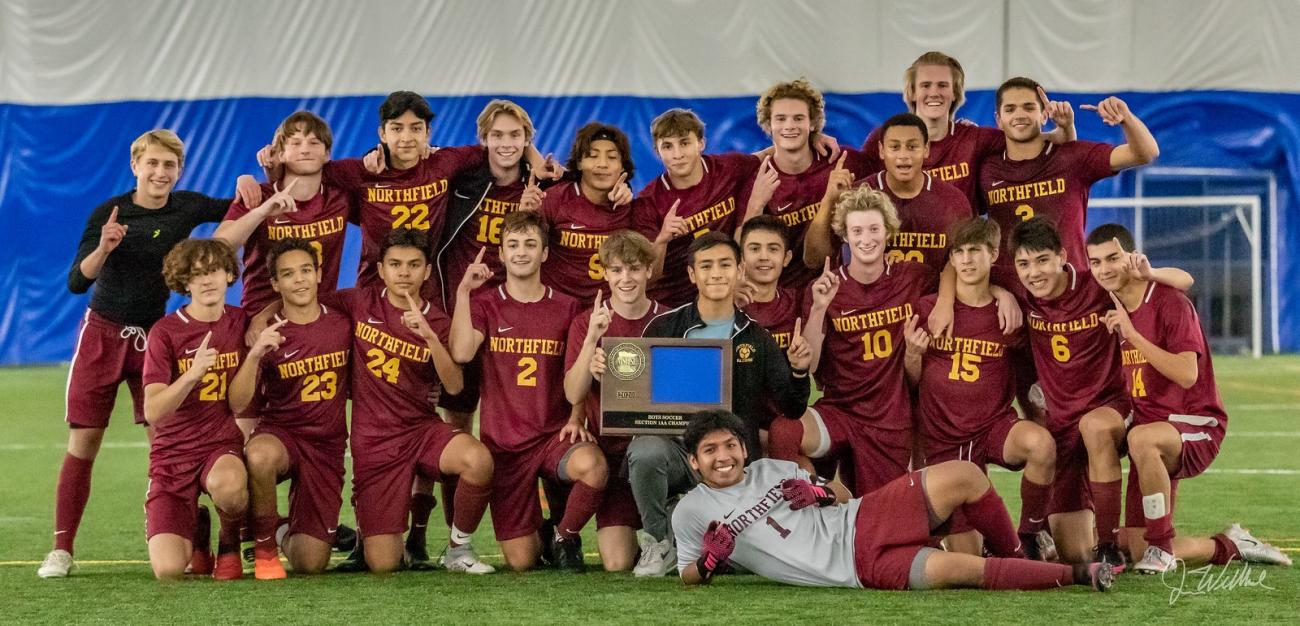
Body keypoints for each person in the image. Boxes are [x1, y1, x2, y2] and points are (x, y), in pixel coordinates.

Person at [41, 129, 257, 578]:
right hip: (102, 335)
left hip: (155, 338)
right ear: (135, 165)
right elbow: (76, 282)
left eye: (169, 165)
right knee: (85, 442)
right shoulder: (111, 212)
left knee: (164, 441)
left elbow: (235, 209)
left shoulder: (187, 205)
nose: (160, 173)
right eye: (152, 164)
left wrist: (248, 176)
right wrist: (104, 248)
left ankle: (187, 525)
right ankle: (61, 549)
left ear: (179, 171)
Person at [671, 411, 1114, 591]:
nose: (723, 457)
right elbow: (688, 574)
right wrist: (709, 564)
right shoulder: (692, 509)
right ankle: (1079, 575)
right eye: (710, 451)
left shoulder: (773, 469)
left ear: (744, 448)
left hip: (864, 519)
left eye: (729, 445)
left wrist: (818, 490)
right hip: (857, 571)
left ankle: (1017, 551)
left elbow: (840, 496)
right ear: (694, 461)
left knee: (966, 475)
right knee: (966, 572)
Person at [1085, 225, 1291, 574]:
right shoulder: (1114, 304)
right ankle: (1230, 545)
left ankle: (1161, 549)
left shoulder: (1168, 302)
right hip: (1151, 427)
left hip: (1196, 423)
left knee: (1140, 438)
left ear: (1131, 258)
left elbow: (1186, 374)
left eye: (1112, 258)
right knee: (1137, 546)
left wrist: (1132, 335)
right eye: (1094, 262)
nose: (1103, 269)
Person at [609, 232, 811, 577]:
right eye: (706, 266)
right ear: (692, 275)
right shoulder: (665, 326)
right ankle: (658, 542)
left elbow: (791, 408)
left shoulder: (755, 337)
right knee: (645, 450)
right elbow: (636, 397)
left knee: (737, 565)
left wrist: (799, 370)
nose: (716, 274)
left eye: (724, 265)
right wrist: (608, 373)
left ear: (739, 271)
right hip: (676, 453)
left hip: (729, 462)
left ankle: (697, 519)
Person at [1008, 217, 1192, 564]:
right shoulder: (1022, 295)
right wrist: (1003, 294)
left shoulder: (1096, 284)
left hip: (1110, 410)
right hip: (1061, 425)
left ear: (1063, 256)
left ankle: (1108, 547)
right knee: (1075, 554)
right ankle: (1116, 541)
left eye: (1043, 260)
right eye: (1024, 264)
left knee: (1093, 427)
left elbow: (1181, 282)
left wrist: (1149, 273)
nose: (1034, 272)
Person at [450, 210, 607, 572]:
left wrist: (576, 416)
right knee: (522, 562)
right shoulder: (486, 303)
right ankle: (545, 526)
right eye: (513, 245)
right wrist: (463, 292)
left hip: (553, 437)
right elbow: (461, 352)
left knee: (594, 466)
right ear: (502, 254)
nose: (521, 252)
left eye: (530, 244)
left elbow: (578, 370)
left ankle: (564, 533)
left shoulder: (568, 307)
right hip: (504, 447)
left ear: (545, 253)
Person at [331, 229, 495, 574]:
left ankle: (457, 550)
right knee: (384, 564)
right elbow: (305, 306)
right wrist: (259, 317)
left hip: (421, 431)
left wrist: (430, 338)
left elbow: (453, 385)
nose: (404, 272)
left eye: (413, 265)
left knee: (477, 459)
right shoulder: (359, 302)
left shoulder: (437, 319)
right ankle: (376, 532)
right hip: (375, 441)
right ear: (381, 270)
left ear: (427, 272)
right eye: (395, 264)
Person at [768, 187, 934, 497]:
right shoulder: (825, 287)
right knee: (785, 430)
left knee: (879, 516)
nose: (866, 238)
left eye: (874, 229)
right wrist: (818, 308)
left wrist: (1002, 294)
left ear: (888, 232)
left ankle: (838, 502)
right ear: (844, 235)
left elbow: (956, 275)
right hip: (840, 411)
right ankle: (819, 500)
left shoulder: (914, 276)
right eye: (857, 230)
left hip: (889, 418)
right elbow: (812, 362)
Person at [906, 218, 1056, 558]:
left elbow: (1027, 368)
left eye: (975, 251)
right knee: (970, 558)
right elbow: (910, 384)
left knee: (1042, 445)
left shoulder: (1010, 314)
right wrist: (913, 354)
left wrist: (1037, 411)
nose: (967, 260)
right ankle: (984, 539)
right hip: (944, 439)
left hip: (993, 426)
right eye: (959, 252)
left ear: (992, 256)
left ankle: (1031, 533)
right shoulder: (928, 309)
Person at [227, 238, 350, 578]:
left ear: (319, 274)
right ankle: (264, 546)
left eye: (305, 271)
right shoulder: (265, 332)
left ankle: (280, 529)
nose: (299, 280)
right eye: (288, 274)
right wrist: (254, 355)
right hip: (282, 434)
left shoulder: (343, 323)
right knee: (259, 455)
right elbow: (237, 401)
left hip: (326, 446)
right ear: (275, 284)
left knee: (311, 564)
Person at [139, 239, 250, 580]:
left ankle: (229, 542)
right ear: (184, 282)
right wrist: (191, 376)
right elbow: (153, 410)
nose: (206, 280)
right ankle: (197, 530)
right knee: (169, 571)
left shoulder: (241, 322)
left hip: (220, 444)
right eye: (196, 274)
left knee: (229, 485)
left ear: (229, 274)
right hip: (172, 454)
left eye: (214, 270)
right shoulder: (166, 332)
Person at [981, 76, 1158, 282]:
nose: (1019, 115)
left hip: (1071, 293)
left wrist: (1126, 117)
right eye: (1010, 109)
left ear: (1045, 114)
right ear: (998, 119)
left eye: (1029, 107)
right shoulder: (986, 169)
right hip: (1011, 295)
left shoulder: (1072, 157)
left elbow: (1145, 153)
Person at [563, 230, 667, 571]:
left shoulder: (670, 320)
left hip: (657, 453)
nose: (626, 278)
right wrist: (591, 345)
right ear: (605, 273)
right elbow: (573, 394)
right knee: (617, 563)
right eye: (618, 270)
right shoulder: (587, 322)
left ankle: (668, 522)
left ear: (649, 271)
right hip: (612, 452)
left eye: (634, 269)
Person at [859, 51, 1075, 206]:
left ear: (955, 93)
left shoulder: (974, 138)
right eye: (926, 85)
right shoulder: (883, 138)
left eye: (943, 85)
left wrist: (1065, 125)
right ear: (913, 92)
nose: (934, 92)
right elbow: (852, 188)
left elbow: (1046, 142)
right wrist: (822, 137)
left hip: (962, 261)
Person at [735, 78, 874, 289]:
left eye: (798, 118)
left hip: (838, 290)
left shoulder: (843, 161)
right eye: (780, 119)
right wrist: (755, 205)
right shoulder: (758, 178)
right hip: (781, 297)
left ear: (813, 124)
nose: (789, 126)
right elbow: (738, 252)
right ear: (768, 125)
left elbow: (892, 168)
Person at [216, 111, 351, 314]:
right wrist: (262, 211)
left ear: (327, 154)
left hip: (317, 319)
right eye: (295, 143)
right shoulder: (257, 195)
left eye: (314, 143)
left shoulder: (340, 198)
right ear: (280, 154)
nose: (305, 149)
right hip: (259, 320)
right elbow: (217, 248)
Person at [537, 122, 637, 300]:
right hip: (559, 307)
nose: (602, 164)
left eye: (612, 157)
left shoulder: (632, 207)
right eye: (592, 156)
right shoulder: (554, 199)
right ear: (579, 162)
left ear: (623, 166)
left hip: (611, 309)